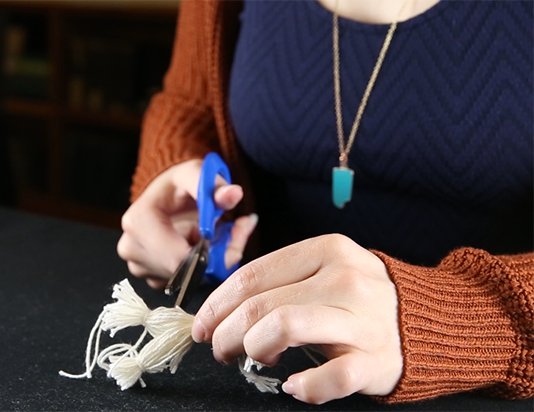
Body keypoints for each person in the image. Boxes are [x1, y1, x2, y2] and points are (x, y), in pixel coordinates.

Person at [116, 0, 534, 405]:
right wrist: (173, 166)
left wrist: (456, 319)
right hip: (266, 349)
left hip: (475, 384)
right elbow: (193, 101)